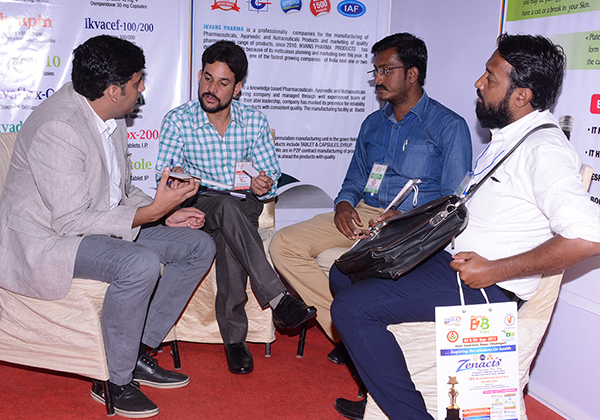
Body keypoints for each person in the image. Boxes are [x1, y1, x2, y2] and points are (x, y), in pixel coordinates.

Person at [329, 34, 600, 420]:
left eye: (490, 77)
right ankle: (382, 386)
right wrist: (405, 222)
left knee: (351, 309)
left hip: (489, 286)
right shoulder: (509, 138)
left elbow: (589, 237)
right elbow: (461, 207)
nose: (478, 83)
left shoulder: (544, 150)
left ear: (521, 95)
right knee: (345, 271)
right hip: (451, 259)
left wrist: (494, 270)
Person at [0, 35, 217, 418]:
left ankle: (136, 351)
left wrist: (165, 212)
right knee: (138, 263)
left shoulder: (110, 117)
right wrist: (152, 213)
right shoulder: (59, 127)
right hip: (48, 241)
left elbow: (123, 191)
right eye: (137, 81)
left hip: (93, 225)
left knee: (197, 246)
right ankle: (113, 380)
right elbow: (71, 221)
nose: (143, 88)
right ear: (114, 91)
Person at [269, 33, 472, 359]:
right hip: (364, 213)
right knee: (283, 244)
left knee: (355, 266)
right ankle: (351, 332)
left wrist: (407, 218)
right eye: (375, 71)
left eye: (386, 70)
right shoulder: (372, 124)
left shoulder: (449, 126)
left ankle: (357, 330)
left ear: (412, 73)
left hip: (410, 225)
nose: (377, 79)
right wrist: (343, 205)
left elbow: (453, 202)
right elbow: (354, 179)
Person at [156, 40, 317, 375]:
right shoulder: (178, 120)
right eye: (207, 78)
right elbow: (165, 175)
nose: (211, 89)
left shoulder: (254, 122)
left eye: (222, 83)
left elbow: (270, 174)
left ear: (238, 87)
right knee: (226, 208)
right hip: (198, 202)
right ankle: (273, 304)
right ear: (199, 76)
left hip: (243, 204)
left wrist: (264, 184)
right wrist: (178, 182)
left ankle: (236, 339)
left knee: (231, 220)